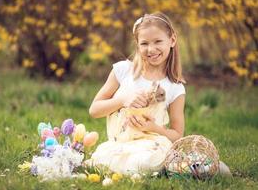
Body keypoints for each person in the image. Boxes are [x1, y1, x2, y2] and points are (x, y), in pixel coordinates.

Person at [87, 12, 231, 176]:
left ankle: (197, 165)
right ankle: (186, 167)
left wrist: (153, 128)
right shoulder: (123, 71)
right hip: (121, 145)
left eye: (158, 41)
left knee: (146, 161)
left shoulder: (174, 87)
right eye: (144, 43)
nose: (151, 49)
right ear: (137, 45)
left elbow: (177, 135)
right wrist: (122, 99)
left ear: (172, 40)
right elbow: (94, 110)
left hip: (153, 146)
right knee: (112, 161)